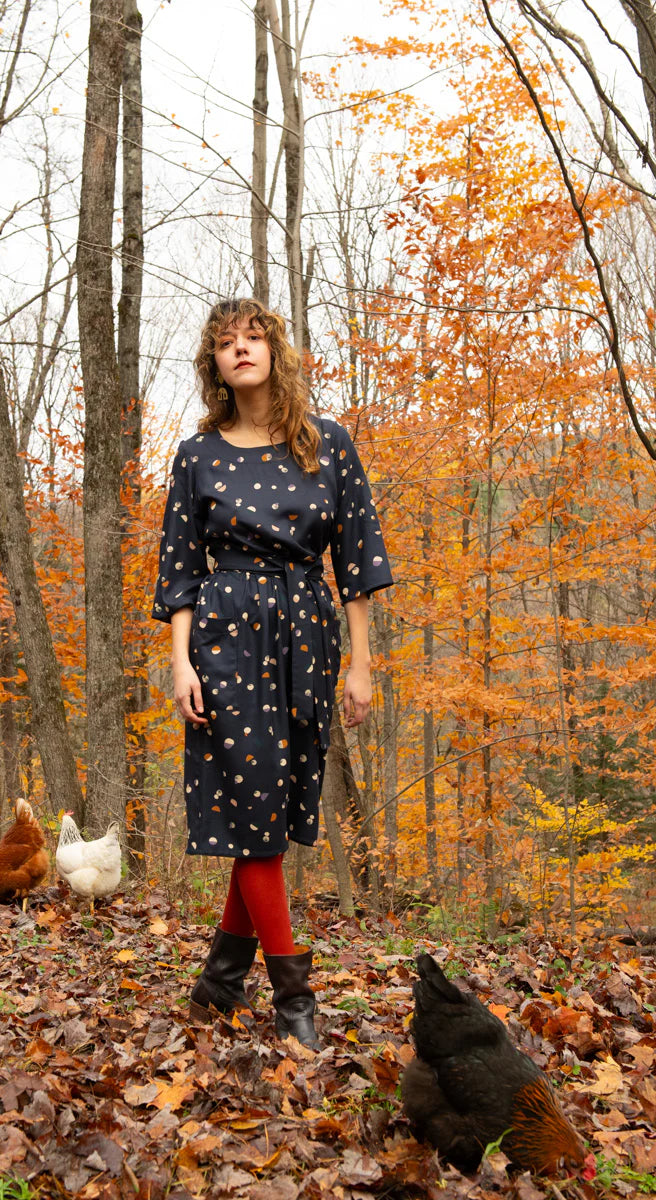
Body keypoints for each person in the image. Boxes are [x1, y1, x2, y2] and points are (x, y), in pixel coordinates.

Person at [152, 297, 393, 1048]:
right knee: (252, 817)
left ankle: (219, 985)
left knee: (270, 814)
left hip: (307, 640)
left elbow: (356, 564)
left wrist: (360, 664)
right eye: (225, 342)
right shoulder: (198, 455)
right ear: (214, 364)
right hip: (225, 638)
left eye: (253, 337)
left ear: (274, 351)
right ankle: (295, 1000)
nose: (240, 349)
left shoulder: (328, 444)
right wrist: (180, 661)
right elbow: (181, 569)